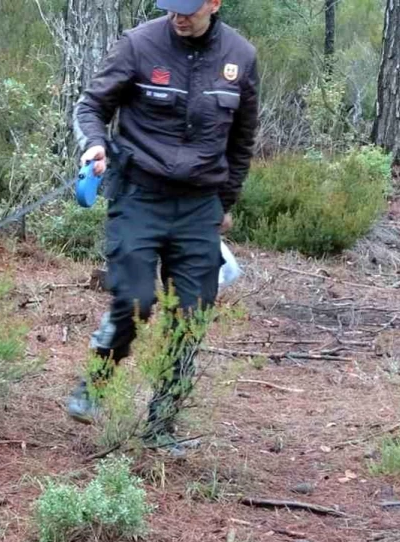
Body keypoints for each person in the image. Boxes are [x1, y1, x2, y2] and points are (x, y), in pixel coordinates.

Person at [64, 0, 260, 451]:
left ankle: (161, 426)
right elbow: (91, 106)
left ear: (214, 3)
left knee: (190, 317)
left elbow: (242, 141)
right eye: (171, 6)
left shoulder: (241, 56)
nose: (178, 15)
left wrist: (222, 204)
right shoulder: (138, 44)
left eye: (188, 8)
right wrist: (95, 145)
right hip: (138, 195)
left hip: (198, 207)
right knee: (135, 300)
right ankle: (95, 382)